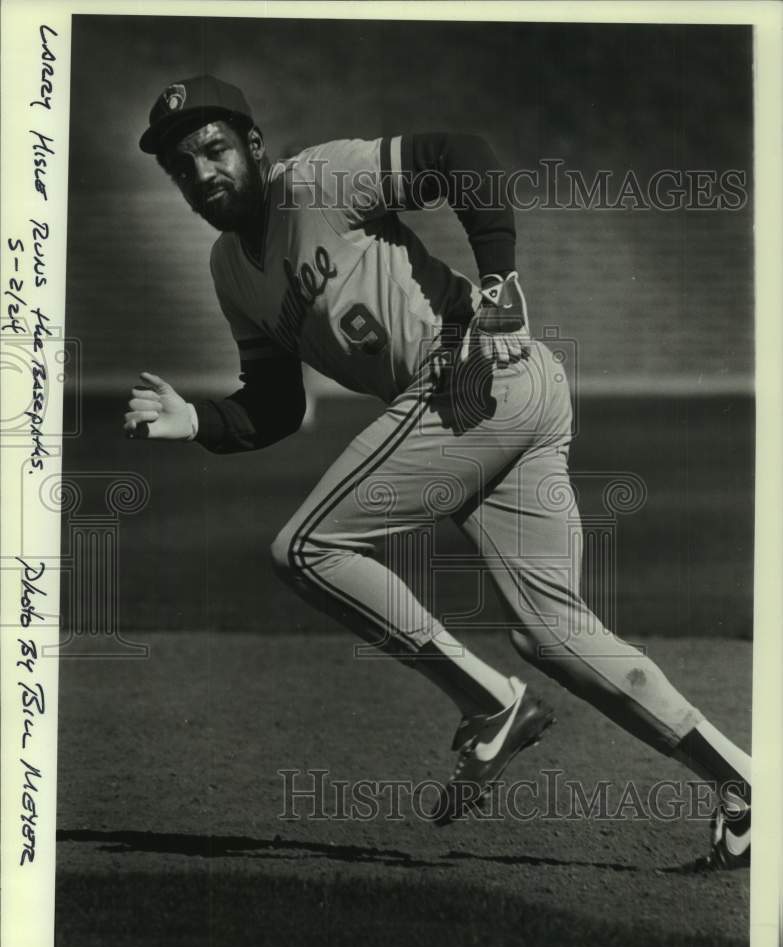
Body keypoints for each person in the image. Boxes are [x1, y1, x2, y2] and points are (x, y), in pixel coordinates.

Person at [125, 75, 750, 867]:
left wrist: (498, 279)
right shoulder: (231, 271)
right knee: (552, 633)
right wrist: (200, 421)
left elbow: (461, 157)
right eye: (181, 166)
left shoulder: (317, 179)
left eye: (214, 149)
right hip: (503, 396)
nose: (202, 173)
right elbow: (276, 404)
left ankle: (488, 703)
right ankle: (743, 786)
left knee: (307, 548)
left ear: (253, 146)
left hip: (469, 378)